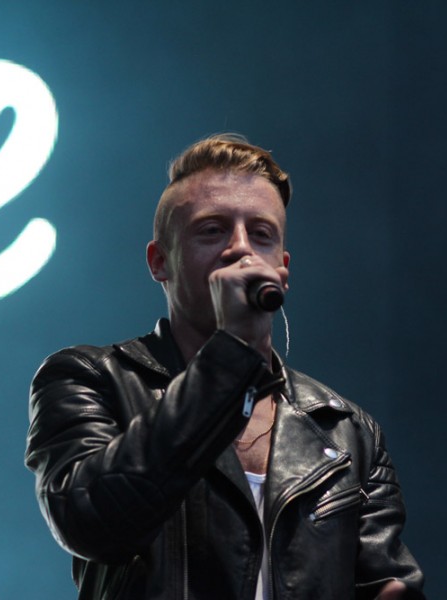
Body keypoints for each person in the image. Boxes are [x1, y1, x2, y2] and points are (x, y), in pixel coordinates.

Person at [25, 134, 425, 599]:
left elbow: (387, 581)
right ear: (159, 262)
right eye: (212, 230)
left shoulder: (346, 430)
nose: (240, 249)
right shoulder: (90, 379)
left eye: (261, 234)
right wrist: (232, 352)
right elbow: (92, 522)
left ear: (283, 269)